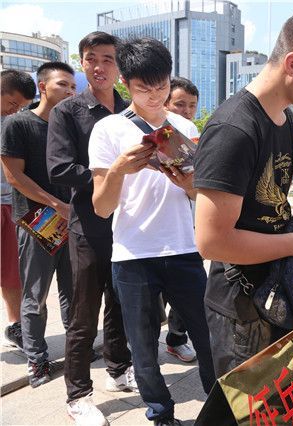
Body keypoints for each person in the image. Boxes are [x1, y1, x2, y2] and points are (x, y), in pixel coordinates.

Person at [193, 4, 293, 377]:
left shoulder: (283, 120)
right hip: (242, 310)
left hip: (276, 296)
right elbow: (212, 241)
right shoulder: (234, 129)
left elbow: (269, 210)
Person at [89, 37, 214, 426]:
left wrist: (186, 184)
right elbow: (101, 206)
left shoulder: (186, 126)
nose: (156, 95)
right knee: (143, 346)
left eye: (162, 86)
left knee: (207, 336)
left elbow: (199, 192)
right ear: (126, 83)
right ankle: (161, 415)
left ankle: (220, 408)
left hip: (182, 247)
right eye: (146, 88)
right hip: (132, 254)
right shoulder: (108, 130)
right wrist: (118, 171)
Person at [47, 32, 135, 425]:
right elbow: (60, 169)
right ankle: (78, 394)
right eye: (91, 59)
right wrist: (112, 176)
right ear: (82, 63)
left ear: (119, 65)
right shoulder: (68, 112)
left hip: (129, 224)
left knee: (121, 304)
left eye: (108, 59)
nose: (99, 67)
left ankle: (118, 369)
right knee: (84, 313)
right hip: (89, 227)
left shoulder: (130, 111)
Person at [1, 62, 76, 388]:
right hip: (36, 223)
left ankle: (77, 353)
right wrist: (56, 204)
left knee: (74, 294)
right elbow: (13, 175)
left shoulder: (71, 127)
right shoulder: (18, 124)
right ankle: (37, 359)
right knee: (35, 296)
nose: (70, 92)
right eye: (63, 85)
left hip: (71, 223)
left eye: (73, 87)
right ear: (43, 86)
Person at [162, 76, 201, 363]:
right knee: (153, 297)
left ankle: (176, 338)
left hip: (188, 227)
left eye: (191, 106)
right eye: (179, 104)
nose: (186, 111)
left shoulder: (194, 135)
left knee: (186, 293)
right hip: (153, 231)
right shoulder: (144, 134)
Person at [1, 69, 36, 350]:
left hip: (10, 203)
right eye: (13, 103)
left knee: (13, 270)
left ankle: (16, 325)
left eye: (21, 106)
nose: (16, 110)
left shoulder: (17, 122)